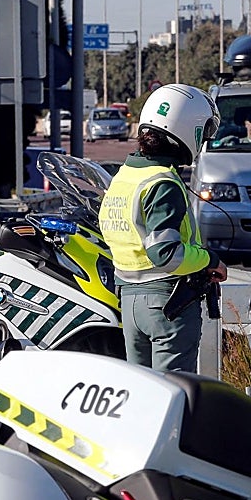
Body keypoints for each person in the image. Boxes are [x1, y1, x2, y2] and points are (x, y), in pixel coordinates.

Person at [99, 84, 227, 372]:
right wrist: (210, 260)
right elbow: (165, 253)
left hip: (130, 303)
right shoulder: (163, 183)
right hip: (167, 302)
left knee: (143, 396)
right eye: (203, 133)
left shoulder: (124, 178)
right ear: (187, 129)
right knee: (173, 396)